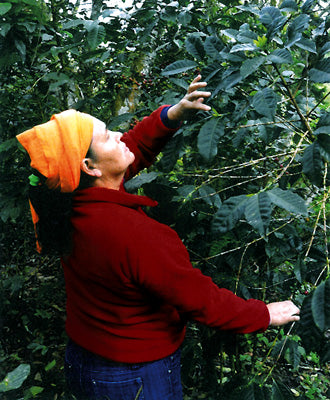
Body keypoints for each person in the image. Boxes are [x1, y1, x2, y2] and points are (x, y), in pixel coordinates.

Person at [17, 76, 300, 400]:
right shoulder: (135, 235)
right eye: (109, 136)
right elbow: (200, 299)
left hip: (84, 361)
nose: (120, 136)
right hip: (133, 377)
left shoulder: (73, 203)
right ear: (90, 166)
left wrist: (174, 113)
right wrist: (263, 313)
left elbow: (130, 149)